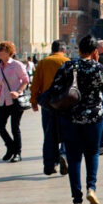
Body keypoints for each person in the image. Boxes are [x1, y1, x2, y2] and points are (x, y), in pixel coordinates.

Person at [48, 35, 103, 204]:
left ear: (79, 50)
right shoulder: (100, 69)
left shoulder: (68, 66)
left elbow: (55, 88)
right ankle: (92, 188)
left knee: (74, 159)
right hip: (94, 119)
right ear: (94, 52)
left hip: (71, 118)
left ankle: (77, 201)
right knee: (92, 154)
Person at [30, 40, 70, 177]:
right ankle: (64, 154)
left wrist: (33, 101)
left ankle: (50, 164)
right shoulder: (68, 62)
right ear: (64, 50)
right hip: (65, 104)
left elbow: (35, 84)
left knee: (49, 135)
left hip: (48, 104)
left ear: (51, 50)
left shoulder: (43, 63)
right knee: (66, 133)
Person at [0, 41, 29, 163]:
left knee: (15, 127)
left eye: (1, 49)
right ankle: (10, 147)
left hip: (15, 101)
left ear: (8, 52)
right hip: (4, 101)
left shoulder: (16, 65)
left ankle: (17, 153)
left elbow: (25, 80)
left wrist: (18, 92)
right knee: (0, 126)